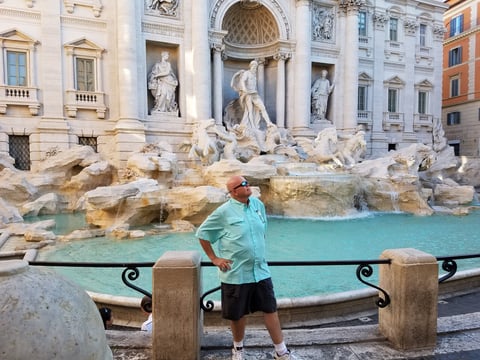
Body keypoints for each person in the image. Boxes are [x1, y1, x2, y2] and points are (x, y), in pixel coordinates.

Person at [196, 175, 299, 360]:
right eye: (244, 184)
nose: (248, 185)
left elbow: (263, 231)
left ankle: (281, 351)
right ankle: (238, 349)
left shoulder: (257, 205)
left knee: (270, 309)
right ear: (234, 191)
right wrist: (214, 258)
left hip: (260, 270)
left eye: (247, 182)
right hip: (236, 272)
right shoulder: (223, 212)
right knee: (237, 315)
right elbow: (202, 233)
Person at [231, 60, 274, 130]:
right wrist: (245, 89)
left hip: (254, 94)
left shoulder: (254, 76)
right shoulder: (247, 73)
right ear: (251, 66)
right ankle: (253, 126)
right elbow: (242, 81)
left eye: (256, 67)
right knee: (249, 110)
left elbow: (254, 86)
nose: (255, 68)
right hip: (248, 94)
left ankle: (268, 122)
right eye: (254, 66)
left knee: (262, 107)